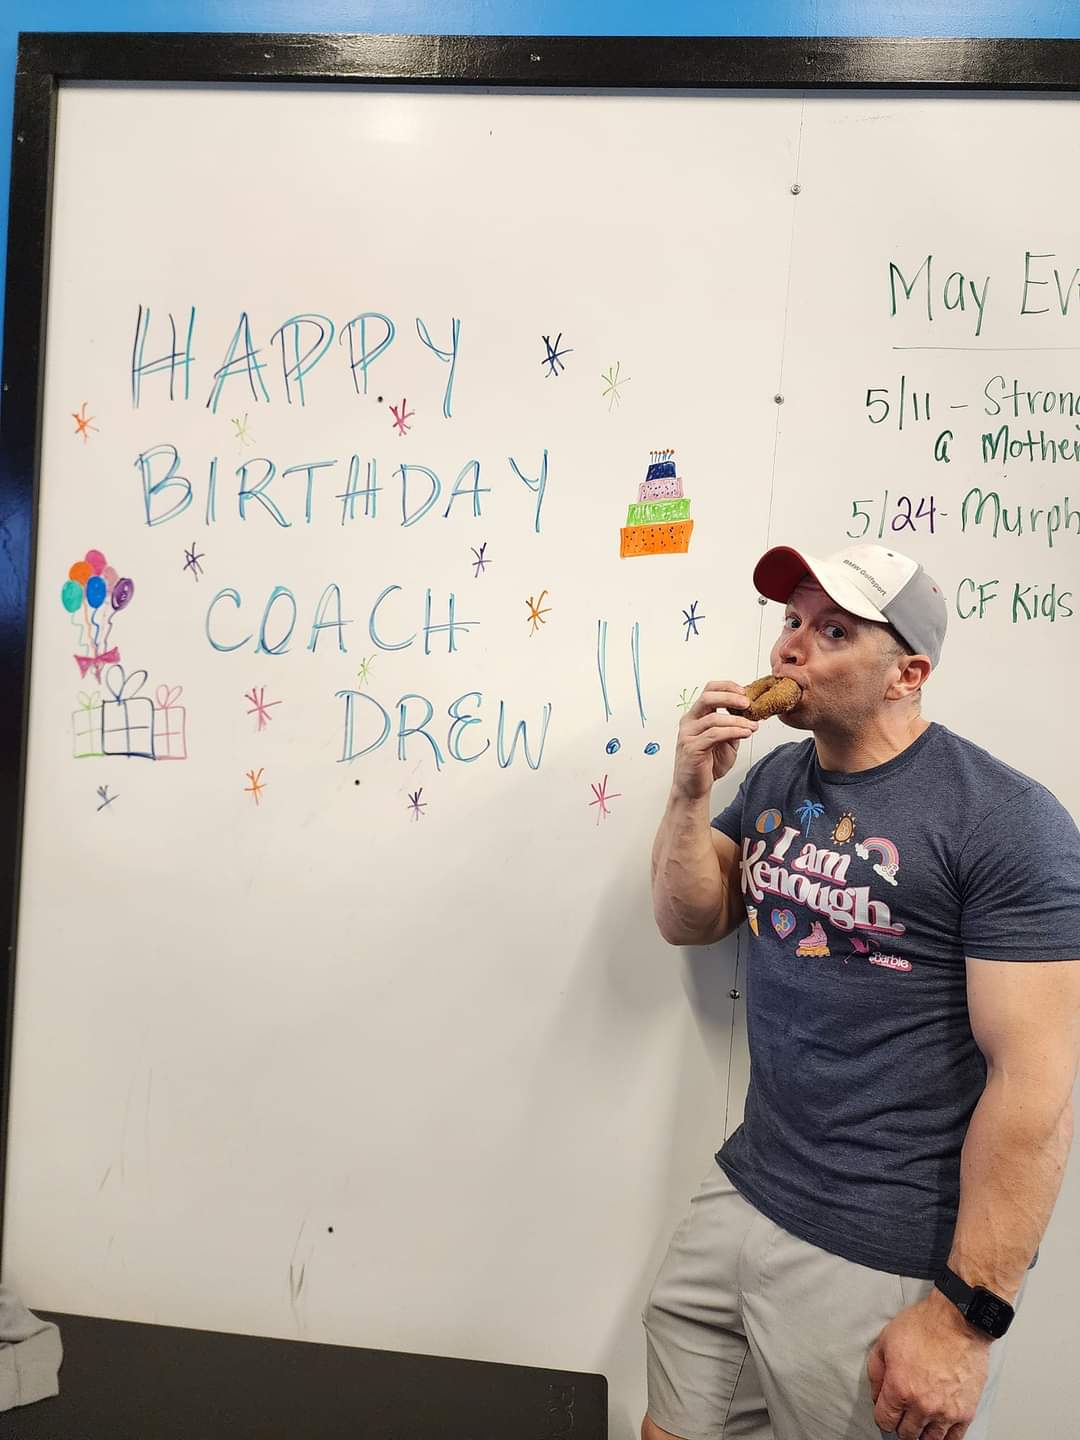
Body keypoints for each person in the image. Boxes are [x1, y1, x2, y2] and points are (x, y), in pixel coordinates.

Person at [643, 541, 1080, 1440]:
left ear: (907, 675)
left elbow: (1035, 1087)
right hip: (749, 1185)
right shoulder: (775, 777)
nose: (789, 648)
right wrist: (688, 796)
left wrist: (964, 1320)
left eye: (834, 630)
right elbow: (692, 917)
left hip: (881, 1249)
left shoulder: (1005, 820)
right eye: (791, 621)